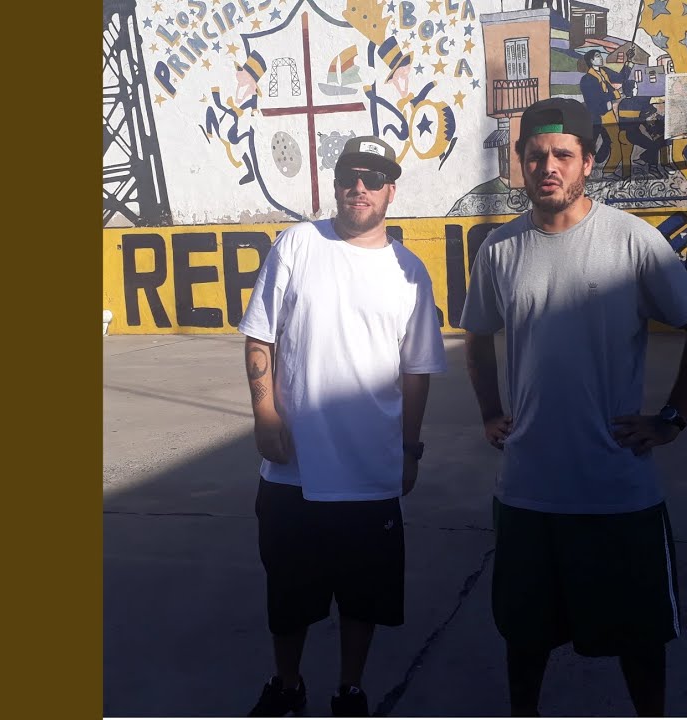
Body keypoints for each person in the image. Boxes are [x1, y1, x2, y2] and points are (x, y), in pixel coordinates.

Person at [459, 98, 687, 716]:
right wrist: (490, 411)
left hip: (616, 489)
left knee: (640, 641)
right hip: (527, 490)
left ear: (588, 162)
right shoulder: (499, 249)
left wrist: (672, 418)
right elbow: (477, 335)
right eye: (535, 156)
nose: (548, 167)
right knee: (525, 638)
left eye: (562, 155)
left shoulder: (632, 241)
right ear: (519, 162)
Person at [239, 136, 448, 717]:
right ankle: (288, 685)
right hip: (293, 472)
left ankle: (349, 689)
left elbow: (416, 371)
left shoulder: (409, 271)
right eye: (351, 176)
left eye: (373, 178)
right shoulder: (297, 244)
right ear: (335, 185)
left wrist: (410, 449)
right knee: (288, 596)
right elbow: (260, 336)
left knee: (363, 598)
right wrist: (265, 413)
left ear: (390, 191)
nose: (361, 187)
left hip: (371, 472)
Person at [578, 49, 634, 169]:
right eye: (598, 56)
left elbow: (621, 77)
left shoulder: (604, 72)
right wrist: (617, 94)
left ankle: (606, 167)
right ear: (591, 60)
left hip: (607, 112)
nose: (601, 58)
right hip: (596, 115)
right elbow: (597, 98)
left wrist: (629, 60)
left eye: (600, 55)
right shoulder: (587, 79)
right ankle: (583, 165)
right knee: (591, 143)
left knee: (613, 139)